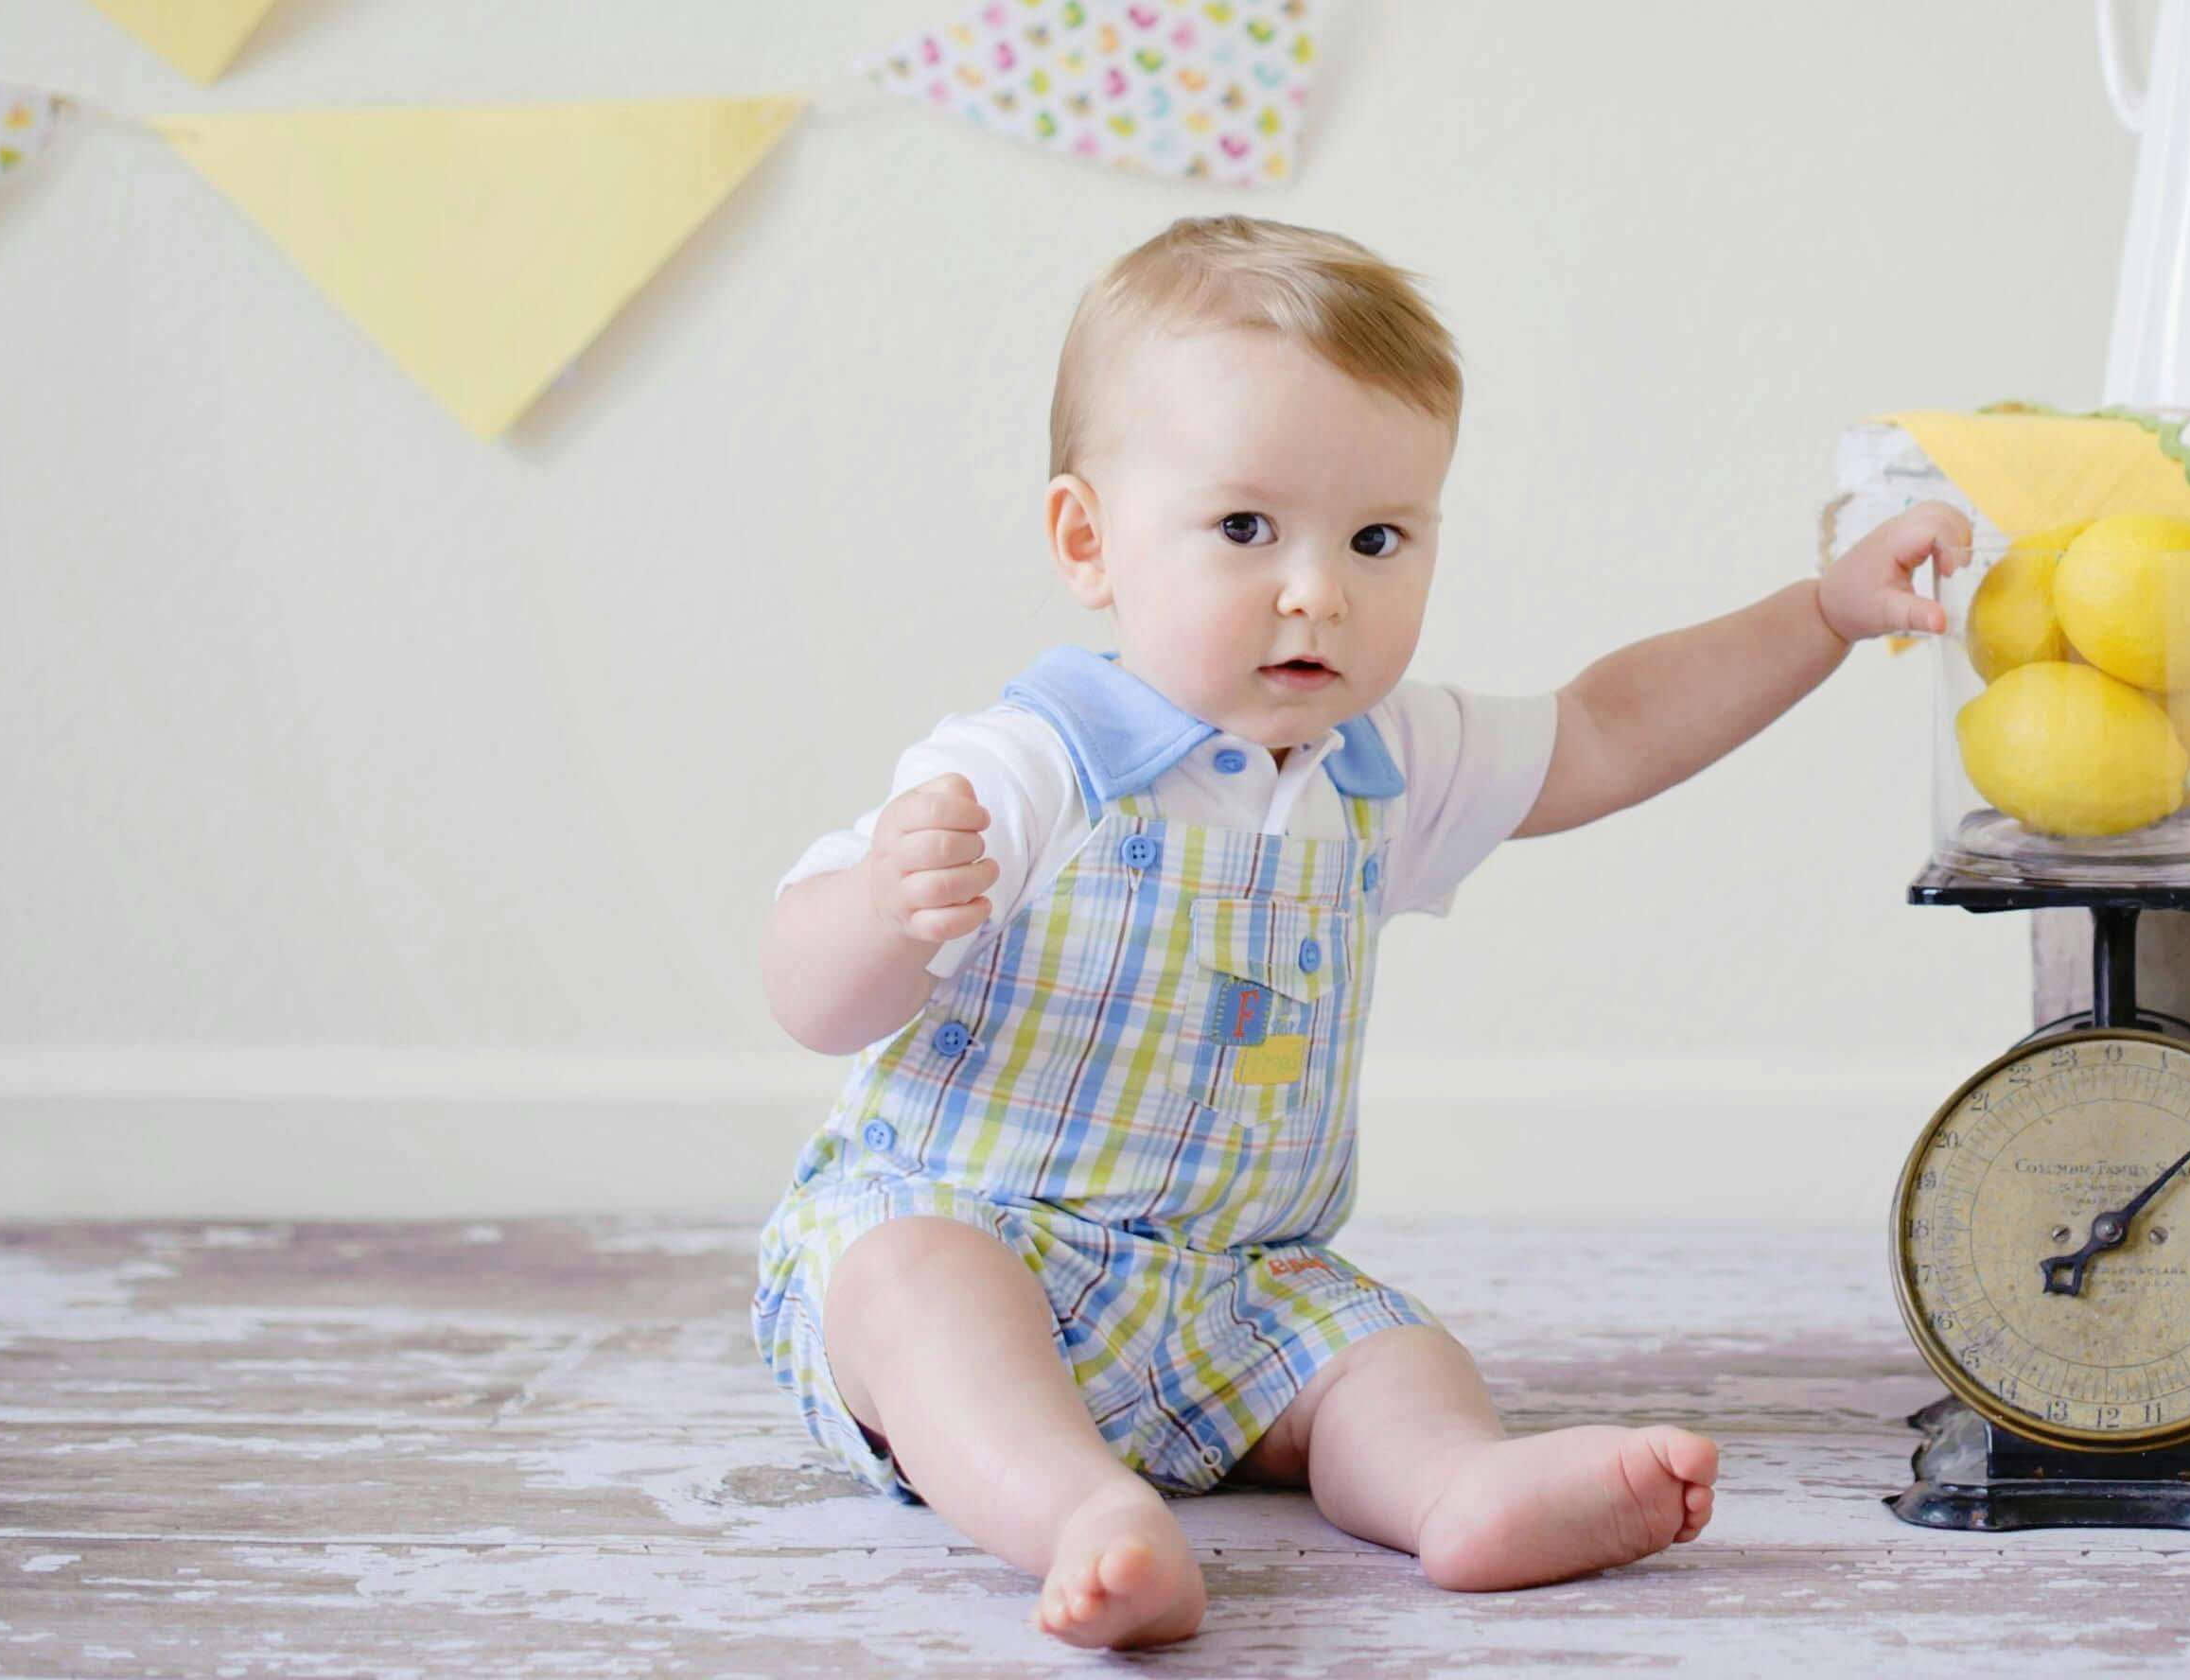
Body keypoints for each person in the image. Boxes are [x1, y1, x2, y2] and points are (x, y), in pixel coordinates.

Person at [753, 214, 1966, 1649]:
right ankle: (1078, 1511)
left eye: (1377, 537)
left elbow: (1610, 726)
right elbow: (807, 994)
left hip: (1232, 1284)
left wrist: (1823, 612)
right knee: (916, 1293)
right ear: (1090, 539)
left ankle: (1458, 1489)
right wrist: (886, 917)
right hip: (978, 1233)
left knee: (1379, 1352)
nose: (1318, 587)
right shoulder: (1033, 764)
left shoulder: (1377, 761)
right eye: (1245, 529)